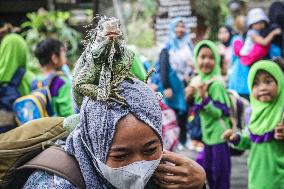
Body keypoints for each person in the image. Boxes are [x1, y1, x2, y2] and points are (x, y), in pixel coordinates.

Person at [23, 79, 206, 189]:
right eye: (121, 155)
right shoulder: (54, 184)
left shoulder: (166, 175)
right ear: (93, 146)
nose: (139, 168)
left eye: (150, 150)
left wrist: (198, 185)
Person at [223, 60, 284, 189]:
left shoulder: (282, 112)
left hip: (279, 180)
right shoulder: (253, 114)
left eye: (268, 81)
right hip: (256, 179)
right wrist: (236, 138)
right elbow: (249, 139)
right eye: (255, 84)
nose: (262, 88)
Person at [186, 40, 232, 189]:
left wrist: (205, 96)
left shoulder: (216, 84)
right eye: (202, 57)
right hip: (207, 136)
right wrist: (190, 96)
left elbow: (219, 112)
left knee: (220, 176)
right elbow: (193, 107)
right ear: (196, 59)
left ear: (217, 61)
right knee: (208, 174)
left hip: (220, 136)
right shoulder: (197, 81)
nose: (206, 61)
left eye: (211, 57)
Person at [159, 17, 195, 147]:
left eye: (182, 26)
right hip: (172, 85)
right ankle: (173, 140)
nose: (180, 29)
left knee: (185, 112)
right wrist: (167, 86)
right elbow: (163, 68)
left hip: (185, 83)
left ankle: (184, 139)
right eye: (177, 27)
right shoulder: (167, 47)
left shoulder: (188, 46)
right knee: (172, 112)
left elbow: (193, 64)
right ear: (172, 29)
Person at [34, 38, 74, 117]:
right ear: (54, 58)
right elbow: (66, 113)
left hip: (40, 126)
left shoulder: (35, 81)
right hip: (57, 127)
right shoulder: (61, 81)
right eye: (63, 52)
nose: (65, 56)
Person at [228, 15, 250, 100]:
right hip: (240, 70)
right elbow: (238, 52)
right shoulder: (237, 39)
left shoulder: (249, 37)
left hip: (244, 68)